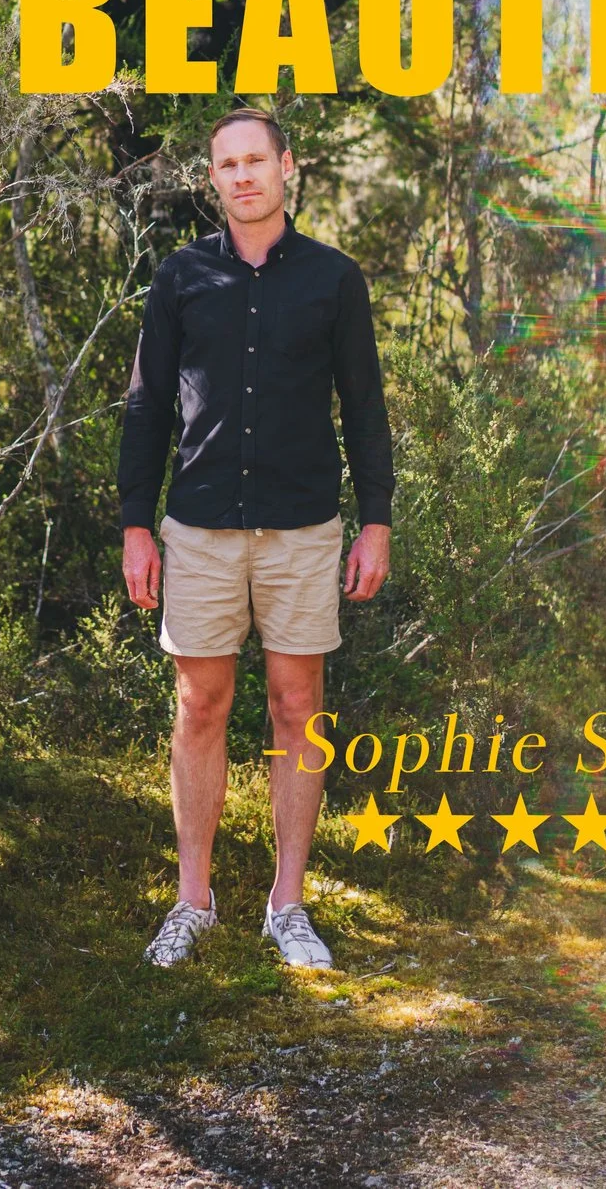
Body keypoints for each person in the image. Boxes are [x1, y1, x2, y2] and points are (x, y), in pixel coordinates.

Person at [119, 109, 395, 972]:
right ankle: (192, 900)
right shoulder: (179, 277)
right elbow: (146, 406)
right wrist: (135, 522)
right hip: (197, 527)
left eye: (255, 161)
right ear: (215, 179)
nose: (242, 176)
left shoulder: (333, 280)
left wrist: (376, 517)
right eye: (227, 165)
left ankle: (286, 904)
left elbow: (365, 408)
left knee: (295, 707)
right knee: (200, 706)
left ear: (286, 167)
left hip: (303, 528)